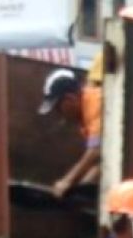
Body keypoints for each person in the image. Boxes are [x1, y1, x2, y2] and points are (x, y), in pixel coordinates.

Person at [39, 69, 103, 199]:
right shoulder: (84, 116)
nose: (59, 114)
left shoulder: (95, 103)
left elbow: (96, 150)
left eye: (58, 107)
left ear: (70, 99)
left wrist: (67, 180)